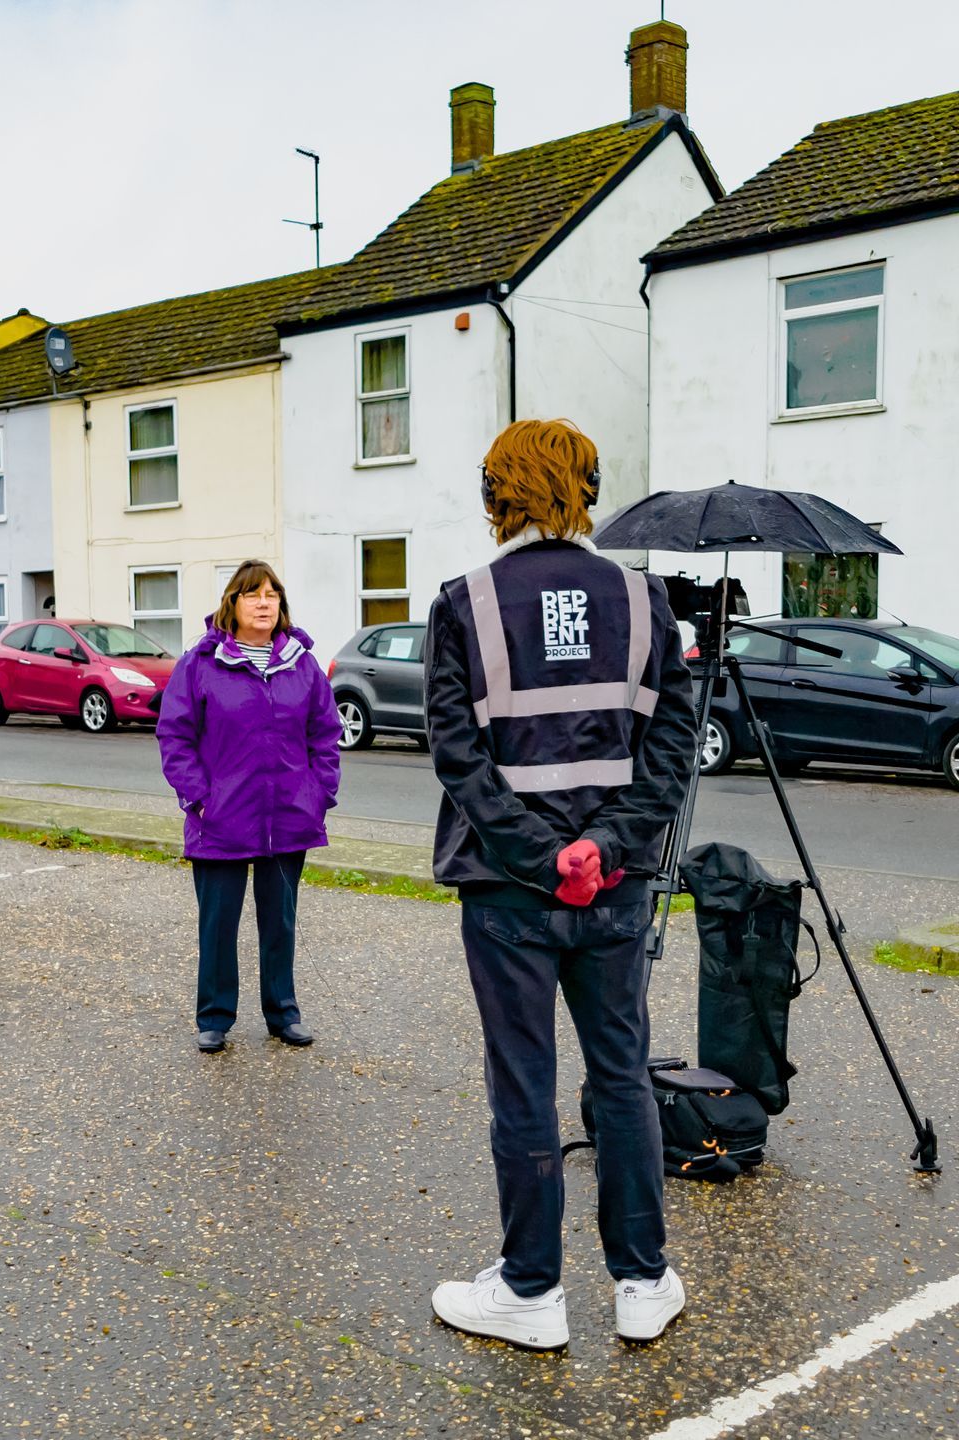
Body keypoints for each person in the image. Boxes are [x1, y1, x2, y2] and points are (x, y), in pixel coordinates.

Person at [423, 419, 697, 1350]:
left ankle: (532, 1294)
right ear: (587, 486)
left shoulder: (464, 603)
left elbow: (457, 755)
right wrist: (604, 849)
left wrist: (542, 859)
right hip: (614, 892)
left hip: (508, 895)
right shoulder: (646, 599)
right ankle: (642, 1281)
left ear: (499, 493)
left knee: (524, 1086)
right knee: (621, 1077)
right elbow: (670, 750)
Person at [156, 560, 343, 1054]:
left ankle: (283, 1013)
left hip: (288, 818)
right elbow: (175, 735)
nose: (264, 603)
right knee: (218, 924)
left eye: (272, 594)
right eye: (253, 594)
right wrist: (197, 797)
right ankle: (214, 1017)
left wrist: (319, 794)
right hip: (220, 818)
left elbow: (325, 735)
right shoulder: (200, 662)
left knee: (279, 920)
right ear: (232, 604)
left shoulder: (301, 664)